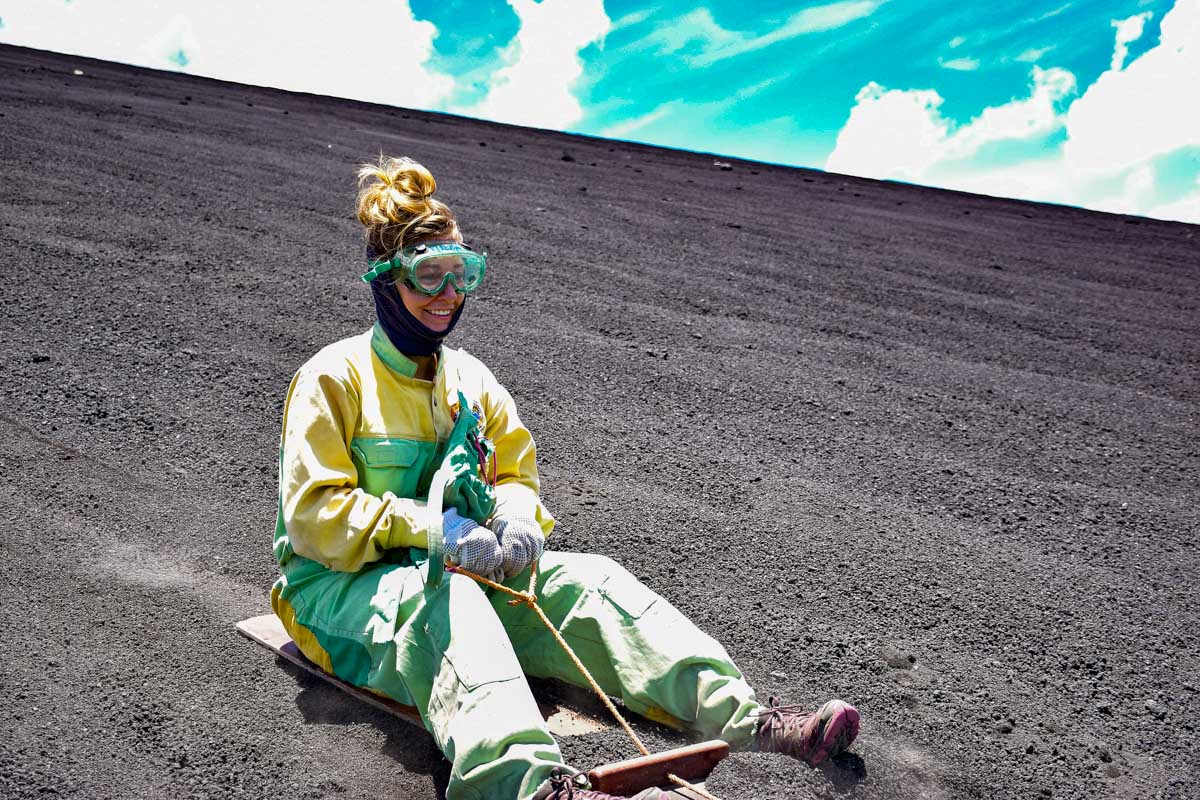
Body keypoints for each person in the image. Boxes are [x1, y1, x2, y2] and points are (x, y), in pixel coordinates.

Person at [270, 155, 861, 800]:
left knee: (588, 579)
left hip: (463, 571)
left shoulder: (472, 382)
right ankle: (536, 789)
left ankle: (755, 723)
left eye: (461, 274)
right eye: (426, 276)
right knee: (443, 603)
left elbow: (517, 473)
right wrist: (431, 529)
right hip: (341, 595)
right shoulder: (333, 378)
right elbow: (313, 519)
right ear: (386, 281)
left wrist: (517, 518)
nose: (447, 295)